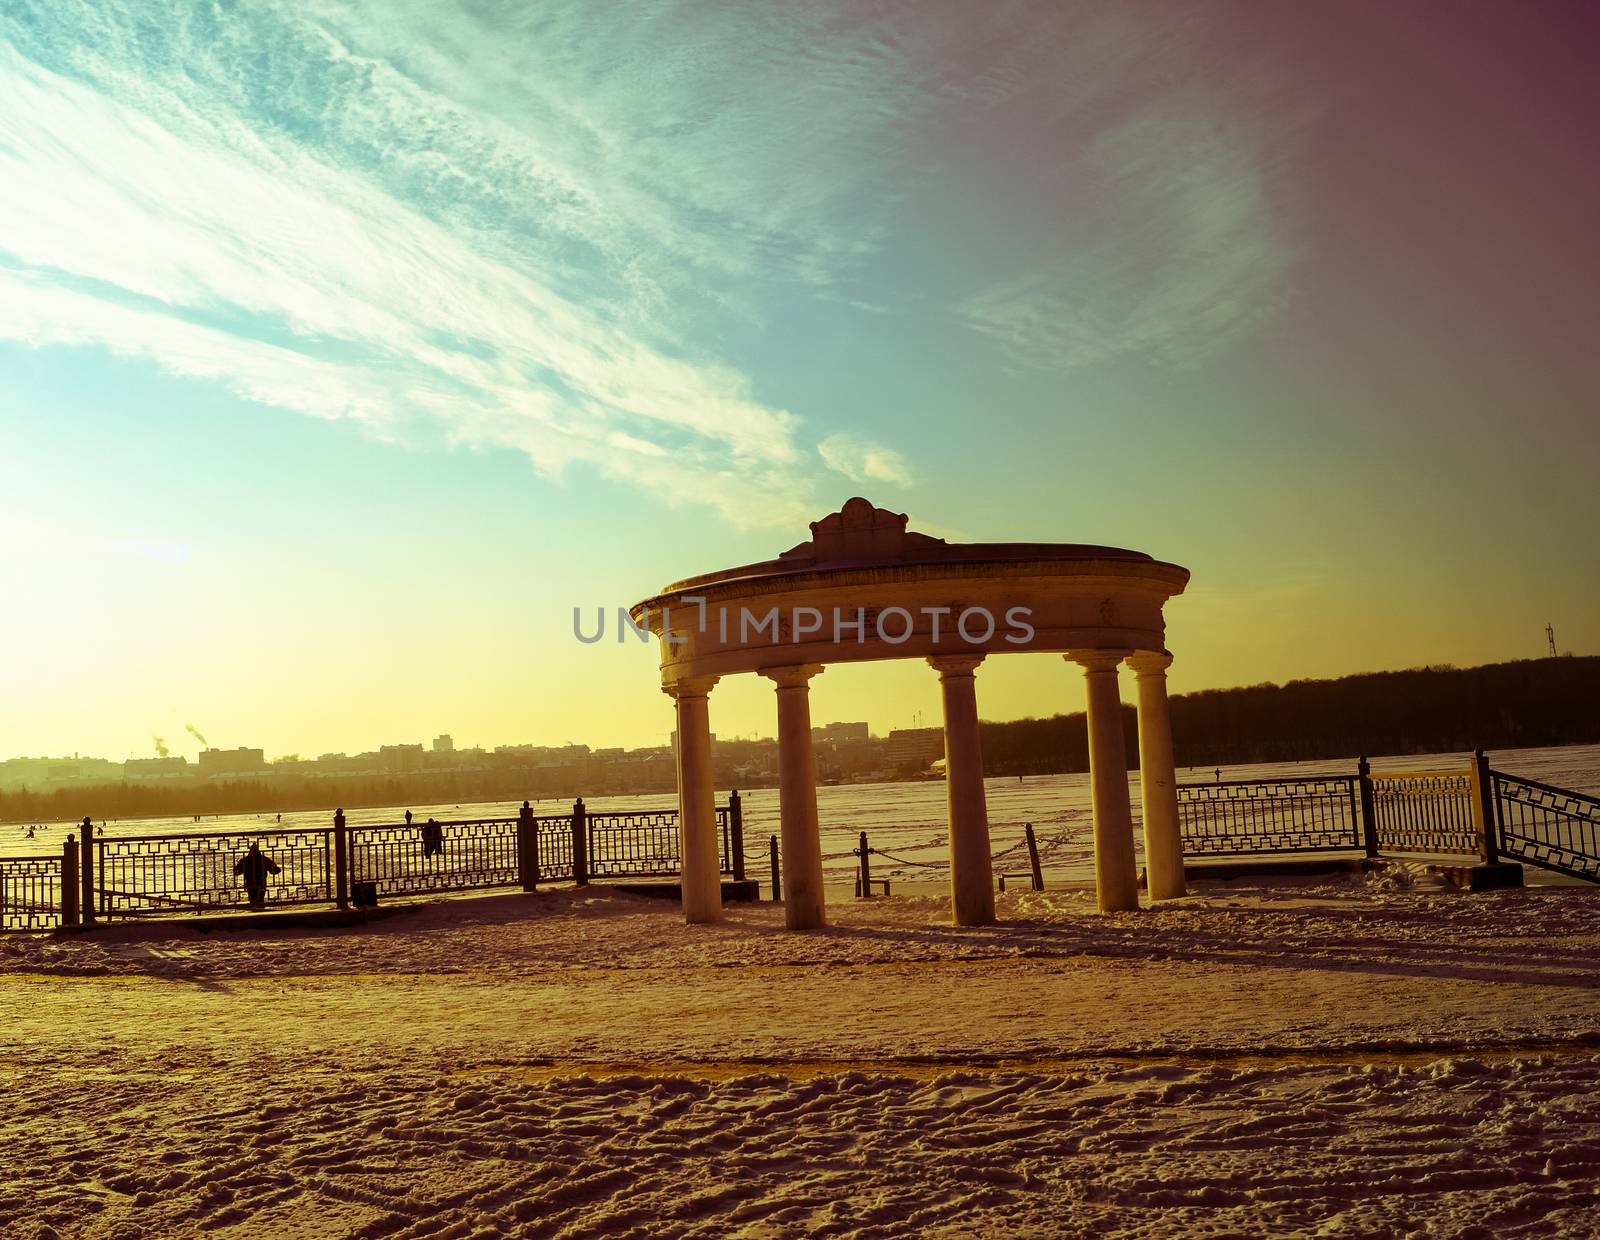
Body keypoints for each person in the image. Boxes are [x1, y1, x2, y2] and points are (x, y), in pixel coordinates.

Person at [233, 841, 281, 910]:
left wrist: (236, 868)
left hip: (250, 883)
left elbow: (237, 872)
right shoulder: (264, 859)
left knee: (252, 900)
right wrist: (277, 869)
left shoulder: (245, 860)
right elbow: (274, 870)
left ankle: (254, 913)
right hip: (261, 882)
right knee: (260, 900)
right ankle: (260, 912)